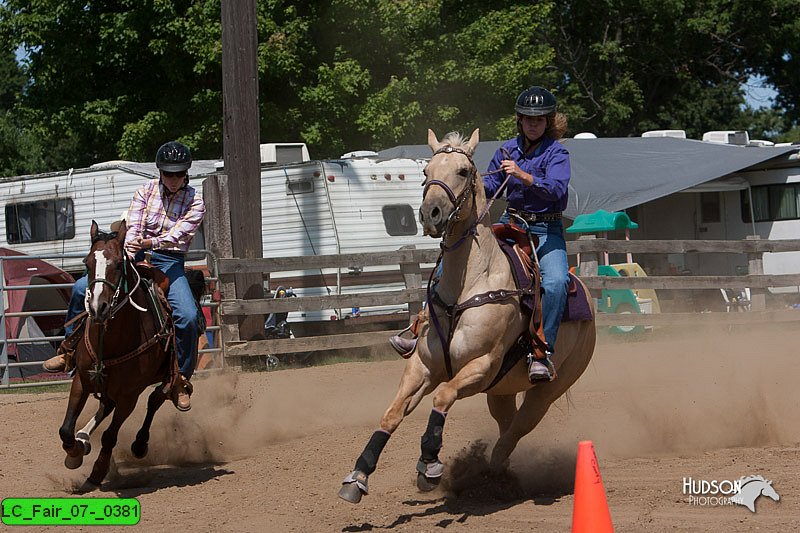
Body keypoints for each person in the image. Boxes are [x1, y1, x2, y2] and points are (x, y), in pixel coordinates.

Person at [389, 86, 570, 383]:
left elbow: (558, 189)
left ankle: (542, 353)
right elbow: (489, 184)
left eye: (538, 119)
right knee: (451, 262)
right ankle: (418, 329)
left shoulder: (557, 153)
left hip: (546, 229)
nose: (532, 124)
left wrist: (525, 177)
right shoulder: (507, 150)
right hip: (510, 223)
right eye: (527, 118)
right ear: (520, 121)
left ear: (547, 122)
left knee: (556, 281)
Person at [43, 140, 206, 410]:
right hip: (135, 255)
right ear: (160, 172)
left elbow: (181, 233)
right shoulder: (145, 191)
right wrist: (132, 249)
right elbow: (135, 223)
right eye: (169, 173)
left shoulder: (195, 201)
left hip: (169, 261)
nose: (174, 179)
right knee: (81, 288)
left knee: (187, 317)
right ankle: (69, 351)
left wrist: (149, 244)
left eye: (178, 173)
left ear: (186, 173)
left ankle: (179, 379)